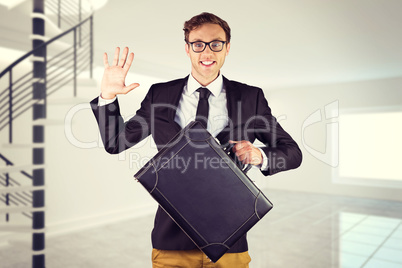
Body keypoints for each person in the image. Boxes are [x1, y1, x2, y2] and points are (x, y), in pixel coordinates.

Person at [91, 12, 302, 268]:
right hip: (171, 241)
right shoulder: (160, 94)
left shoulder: (251, 97)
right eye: (198, 44)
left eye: (216, 43)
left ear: (227, 48)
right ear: (187, 49)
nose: (207, 52)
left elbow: (292, 153)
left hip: (230, 243)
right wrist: (107, 97)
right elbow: (116, 142)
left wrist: (261, 156)